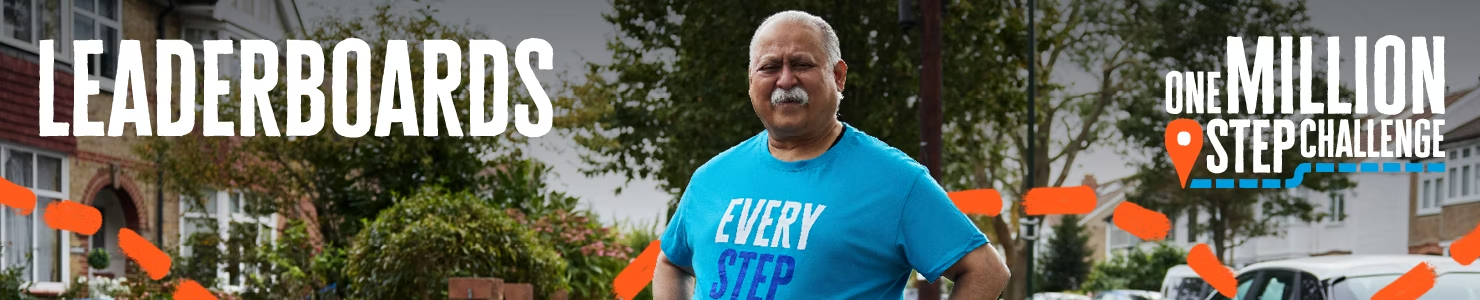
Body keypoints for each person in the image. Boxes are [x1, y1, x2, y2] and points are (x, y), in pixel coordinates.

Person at [653, 10, 1011, 299]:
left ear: (838, 76)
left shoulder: (897, 181)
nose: (785, 80)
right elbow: (672, 263)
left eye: (802, 64)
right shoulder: (711, 177)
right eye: (770, 67)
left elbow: (985, 271)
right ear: (751, 80)